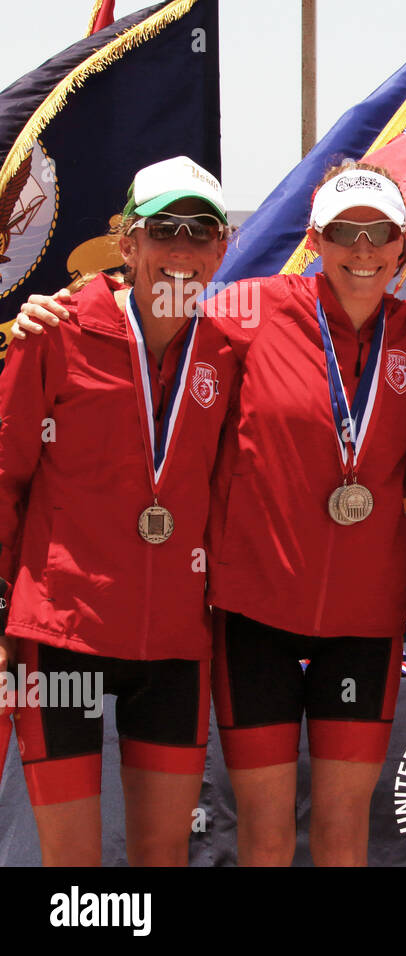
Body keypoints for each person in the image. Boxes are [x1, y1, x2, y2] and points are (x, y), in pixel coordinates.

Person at [0, 156, 234, 865]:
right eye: (165, 229)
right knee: (70, 867)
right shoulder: (53, 332)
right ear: (126, 242)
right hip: (62, 634)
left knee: (161, 859)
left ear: (222, 248)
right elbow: (4, 478)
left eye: (202, 231)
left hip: (173, 645)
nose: (183, 249)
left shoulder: (228, 351)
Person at [200, 162, 406, 866]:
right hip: (254, 611)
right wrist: (67, 307)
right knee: (264, 834)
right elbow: (149, 332)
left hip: (363, 620)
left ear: (402, 245)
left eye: (379, 232)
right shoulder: (248, 310)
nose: (363, 249)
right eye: (344, 233)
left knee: (342, 830)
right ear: (314, 239)